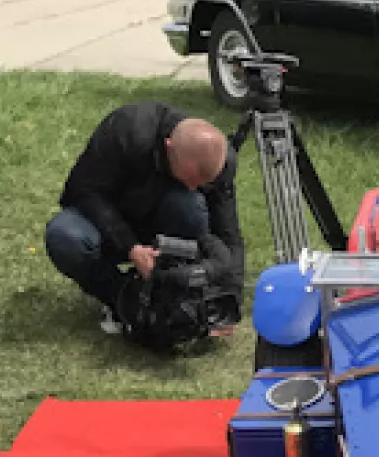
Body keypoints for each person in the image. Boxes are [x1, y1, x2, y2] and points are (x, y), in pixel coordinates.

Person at [45, 104, 243, 335]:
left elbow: (227, 233)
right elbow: (83, 191)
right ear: (168, 146)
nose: (193, 187)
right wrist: (130, 247)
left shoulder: (219, 161)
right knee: (64, 237)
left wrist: (227, 299)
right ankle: (123, 298)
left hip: (162, 219)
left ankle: (180, 296)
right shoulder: (126, 131)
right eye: (188, 180)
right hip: (107, 220)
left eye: (201, 184)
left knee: (190, 205)